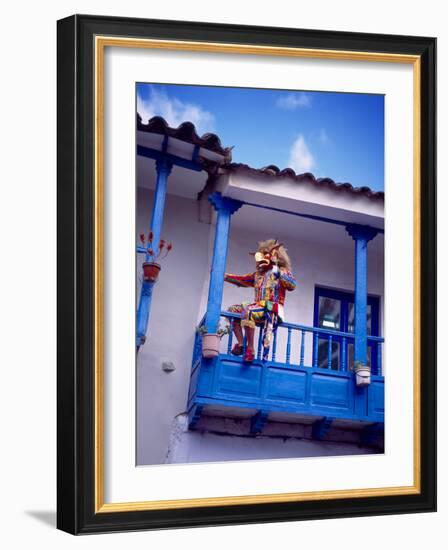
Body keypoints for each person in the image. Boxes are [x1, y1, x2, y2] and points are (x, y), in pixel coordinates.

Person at [225, 239, 296, 362]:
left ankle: (251, 350)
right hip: (257, 306)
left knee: (248, 310)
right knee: (233, 310)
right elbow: (242, 280)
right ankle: (242, 344)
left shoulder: (282, 271)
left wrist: (277, 271)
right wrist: (225, 276)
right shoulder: (258, 275)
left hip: (271, 308)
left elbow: (292, 285)